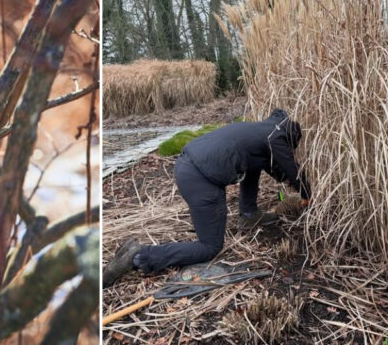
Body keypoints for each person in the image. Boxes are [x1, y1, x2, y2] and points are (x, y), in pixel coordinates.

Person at [103, 109, 311, 288]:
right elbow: (291, 168)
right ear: (290, 137)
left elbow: (266, 165)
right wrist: (308, 195)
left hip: (187, 166)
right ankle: (140, 256)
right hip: (201, 182)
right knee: (209, 246)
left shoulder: (259, 131)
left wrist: (284, 180)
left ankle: (249, 214)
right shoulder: (277, 136)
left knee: (252, 167)